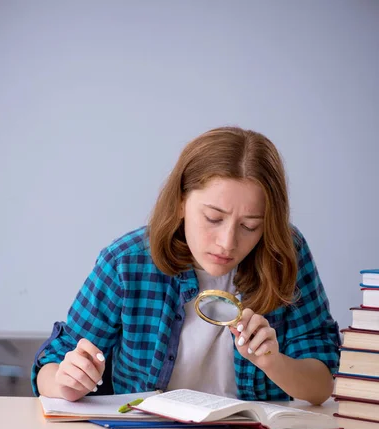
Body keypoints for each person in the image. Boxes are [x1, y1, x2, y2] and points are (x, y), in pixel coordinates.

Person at [33, 126, 340, 408]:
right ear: (181, 202)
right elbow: (54, 361)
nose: (227, 243)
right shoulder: (127, 262)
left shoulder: (284, 252)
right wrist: (67, 383)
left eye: (250, 226)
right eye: (213, 218)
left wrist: (273, 362)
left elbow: (321, 383)